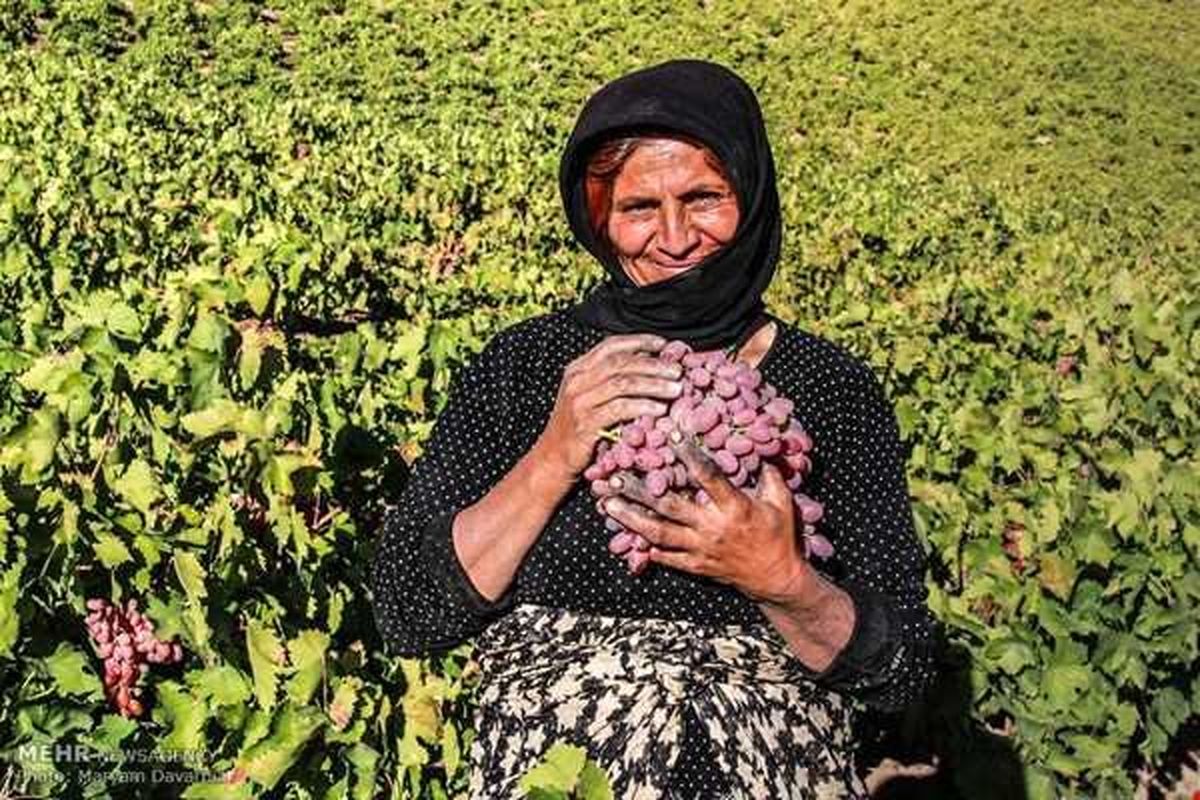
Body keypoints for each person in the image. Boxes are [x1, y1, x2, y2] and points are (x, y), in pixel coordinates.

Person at [372, 59, 936, 799]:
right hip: (556, 778)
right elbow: (409, 611)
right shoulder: (525, 368)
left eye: (704, 197)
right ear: (597, 218)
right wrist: (556, 453)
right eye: (640, 207)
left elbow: (903, 672)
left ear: (753, 196)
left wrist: (784, 583)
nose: (674, 238)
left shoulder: (832, 390)